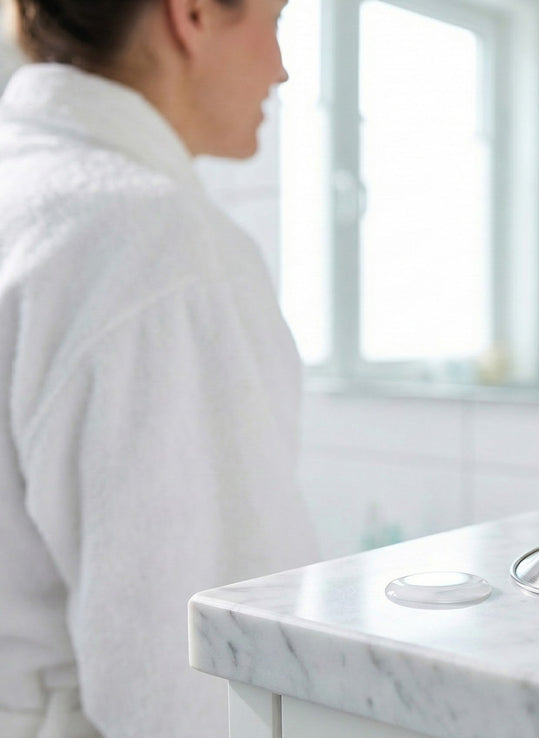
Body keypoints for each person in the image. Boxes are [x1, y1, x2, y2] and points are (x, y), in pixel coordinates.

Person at [0, 1, 318, 736]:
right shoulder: (160, 253)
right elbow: (209, 682)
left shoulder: (29, 195)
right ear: (194, 15)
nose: (282, 66)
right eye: (275, 18)